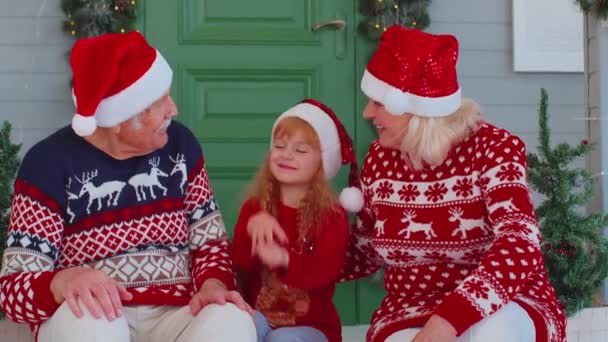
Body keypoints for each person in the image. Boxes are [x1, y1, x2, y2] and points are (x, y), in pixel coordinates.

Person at [0, 32, 255, 342]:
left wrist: (213, 284)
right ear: (119, 119)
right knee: (93, 322)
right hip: (96, 314)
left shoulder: (180, 146)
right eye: (159, 102)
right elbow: (13, 292)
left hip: (175, 313)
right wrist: (61, 281)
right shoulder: (47, 163)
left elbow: (209, 244)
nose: (173, 109)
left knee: (232, 322)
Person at [339, 26, 566, 342]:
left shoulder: (493, 148)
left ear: (415, 108)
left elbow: (520, 245)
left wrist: (446, 323)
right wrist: (295, 260)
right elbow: (365, 250)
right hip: (411, 307)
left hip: (502, 301)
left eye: (378, 103)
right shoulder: (380, 159)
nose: (367, 113)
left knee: (493, 336)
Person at [231, 99, 363, 342]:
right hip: (261, 316)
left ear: (322, 164)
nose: (287, 155)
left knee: (283, 340)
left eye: (301, 150)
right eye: (279, 146)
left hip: (311, 327)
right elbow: (239, 265)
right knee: (237, 322)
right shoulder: (254, 208)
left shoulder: (331, 216)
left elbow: (323, 272)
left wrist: (284, 259)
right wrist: (250, 230)